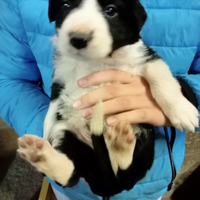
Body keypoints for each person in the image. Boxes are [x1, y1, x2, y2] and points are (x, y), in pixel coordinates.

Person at [0, 0, 199, 200]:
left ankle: (121, 153)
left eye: (109, 10)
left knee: (136, 139)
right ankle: (64, 167)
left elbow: (152, 65)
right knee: (64, 138)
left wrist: (184, 95)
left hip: (148, 182)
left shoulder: (133, 49)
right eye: (69, 4)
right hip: (73, 177)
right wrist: (48, 133)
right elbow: (10, 80)